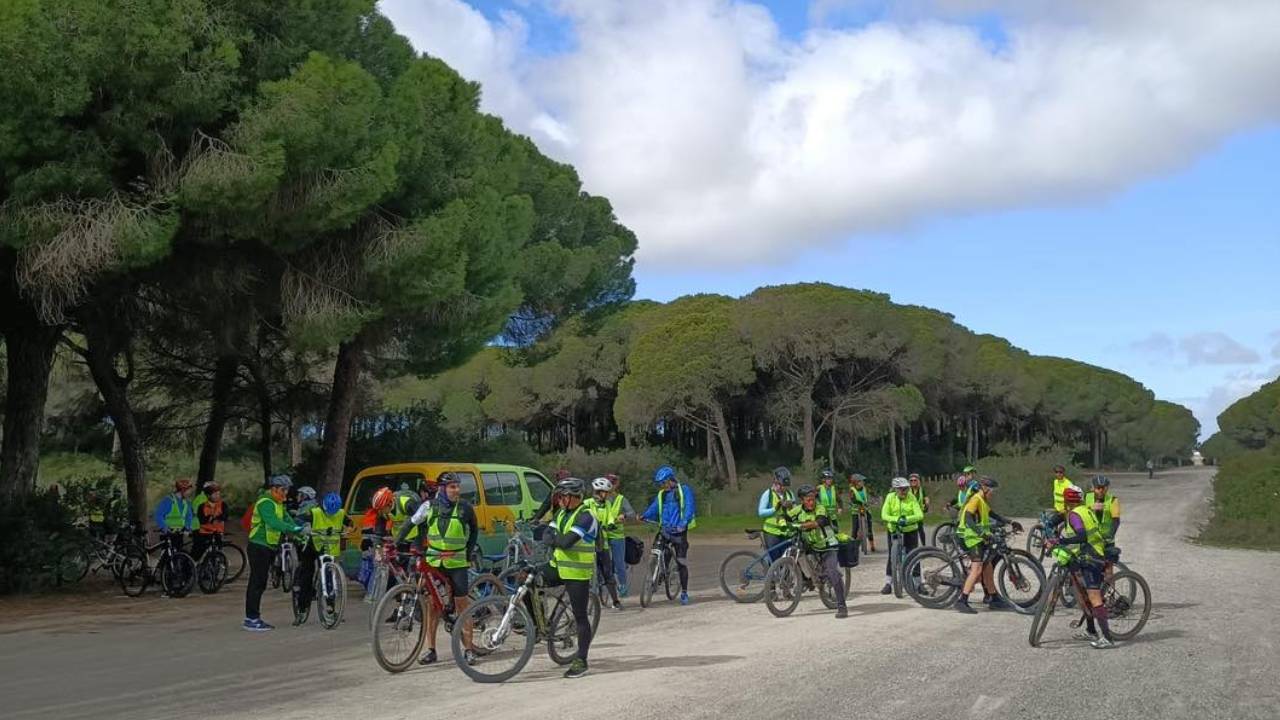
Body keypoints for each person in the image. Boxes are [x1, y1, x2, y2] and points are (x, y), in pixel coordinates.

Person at [395, 473, 481, 666]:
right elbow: (411, 523)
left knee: (462, 605)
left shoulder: (465, 508)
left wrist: (468, 552)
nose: (456, 490)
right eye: (452, 487)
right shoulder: (429, 506)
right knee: (432, 607)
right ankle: (431, 650)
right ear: (442, 489)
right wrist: (396, 542)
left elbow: (474, 530)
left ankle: (468, 649)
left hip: (457, 562)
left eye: (457, 486)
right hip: (434, 562)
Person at [1046, 485, 1115, 649]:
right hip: (1085, 554)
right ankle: (1091, 631)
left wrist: (1060, 541)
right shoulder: (1084, 509)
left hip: (1091, 556)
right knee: (1080, 593)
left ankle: (1107, 637)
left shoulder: (1075, 515)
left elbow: (1082, 536)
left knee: (1093, 596)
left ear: (1066, 501)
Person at [544, 477, 599, 678]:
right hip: (557, 567)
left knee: (580, 616)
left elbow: (566, 542)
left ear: (574, 497)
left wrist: (554, 539)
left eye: (563, 496)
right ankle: (535, 624)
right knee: (525, 575)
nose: (559, 500)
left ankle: (581, 660)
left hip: (577, 572)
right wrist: (554, 539)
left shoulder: (586, 516)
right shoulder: (561, 514)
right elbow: (545, 535)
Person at [953, 477, 1022, 614]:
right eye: (992, 491)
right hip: (971, 537)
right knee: (977, 568)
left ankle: (993, 597)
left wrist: (1011, 522)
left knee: (988, 566)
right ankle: (962, 601)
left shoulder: (983, 500)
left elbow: (993, 515)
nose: (993, 494)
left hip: (978, 537)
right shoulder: (976, 499)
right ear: (985, 489)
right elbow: (968, 518)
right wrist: (982, 534)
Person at [245, 475, 304, 631]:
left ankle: (253, 617)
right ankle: (251, 619)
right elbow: (274, 522)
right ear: (274, 489)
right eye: (283, 490)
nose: (285, 493)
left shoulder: (278, 503)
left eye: (287, 490)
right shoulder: (265, 503)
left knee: (260, 582)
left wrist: (300, 534)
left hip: (268, 546)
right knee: (257, 583)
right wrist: (293, 529)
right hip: (258, 546)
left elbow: (286, 519)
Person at [787, 484, 848, 618]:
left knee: (832, 573)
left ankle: (842, 606)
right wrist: (781, 521)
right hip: (813, 545)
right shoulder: (798, 510)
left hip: (828, 546)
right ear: (802, 500)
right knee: (796, 551)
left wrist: (800, 525)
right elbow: (785, 517)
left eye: (813, 498)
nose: (811, 502)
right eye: (808, 499)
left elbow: (818, 522)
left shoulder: (820, 508)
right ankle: (807, 579)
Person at [293, 491, 353, 624]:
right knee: (307, 575)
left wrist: (349, 529)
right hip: (311, 545)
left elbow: (350, 523)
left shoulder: (340, 513)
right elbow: (298, 520)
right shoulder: (314, 512)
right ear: (323, 507)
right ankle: (302, 609)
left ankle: (331, 608)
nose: (330, 515)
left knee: (329, 576)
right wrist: (304, 527)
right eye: (327, 512)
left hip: (327, 547)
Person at [641, 465, 696, 605]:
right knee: (656, 553)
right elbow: (654, 508)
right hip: (664, 529)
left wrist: (684, 522)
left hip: (679, 531)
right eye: (660, 484)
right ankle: (655, 577)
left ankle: (684, 592)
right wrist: (644, 515)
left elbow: (689, 507)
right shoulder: (662, 494)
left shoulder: (684, 491)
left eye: (664, 483)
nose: (662, 486)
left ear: (671, 480)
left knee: (681, 562)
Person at [879, 477, 924, 594]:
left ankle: (918, 583)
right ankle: (888, 583)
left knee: (914, 555)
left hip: (910, 530)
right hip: (894, 529)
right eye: (901, 489)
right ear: (895, 489)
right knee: (891, 555)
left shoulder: (911, 497)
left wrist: (907, 519)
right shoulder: (890, 498)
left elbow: (919, 515)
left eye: (906, 489)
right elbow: (884, 515)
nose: (904, 491)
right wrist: (897, 519)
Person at [585, 477, 623, 610]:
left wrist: (611, 524)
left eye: (608, 493)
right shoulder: (587, 503)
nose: (607, 495)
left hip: (602, 543)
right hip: (589, 543)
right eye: (605, 493)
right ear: (598, 492)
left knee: (608, 572)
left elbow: (610, 517)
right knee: (588, 574)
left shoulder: (607, 504)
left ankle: (615, 600)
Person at [601, 473, 637, 597]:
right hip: (602, 534)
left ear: (616, 485)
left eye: (612, 483)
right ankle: (599, 585)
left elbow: (632, 513)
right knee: (601, 561)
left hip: (616, 534)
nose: (610, 486)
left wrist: (624, 515)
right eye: (608, 483)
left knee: (619, 562)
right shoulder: (600, 498)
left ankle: (622, 585)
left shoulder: (621, 499)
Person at [757, 467, 797, 564]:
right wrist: (775, 508)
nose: (784, 488)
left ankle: (784, 577)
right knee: (774, 559)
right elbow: (761, 512)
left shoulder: (790, 494)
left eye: (786, 486)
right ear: (775, 482)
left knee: (787, 558)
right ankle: (770, 575)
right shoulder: (768, 494)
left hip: (786, 532)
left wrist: (792, 507)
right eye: (782, 485)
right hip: (771, 532)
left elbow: (796, 511)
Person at [1084, 475, 1122, 577]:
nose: (1101, 490)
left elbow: (1116, 521)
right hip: (1091, 539)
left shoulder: (1113, 500)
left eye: (1104, 488)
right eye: (1098, 488)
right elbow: (1079, 512)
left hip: (1106, 540)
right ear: (1093, 488)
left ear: (1107, 488)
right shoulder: (1087, 497)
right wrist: (1091, 508)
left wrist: (1109, 536)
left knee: (1108, 571)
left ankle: (1110, 592)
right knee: (1089, 568)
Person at [153, 478, 196, 552]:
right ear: (182, 490)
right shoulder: (169, 500)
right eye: (188, 491)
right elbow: (158, 515)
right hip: (167, 534)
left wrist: (187, 527)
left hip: (179, 534)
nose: (190, 493)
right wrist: (164, 527)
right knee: (167, 558)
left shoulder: (186, 503)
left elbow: (189, 517)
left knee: (178, 557)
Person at [192, 483, 228, 562]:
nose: (217, 496)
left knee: (216, 555)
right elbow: (202, 520)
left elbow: (224, 516)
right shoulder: (202, 506)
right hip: (204, 533)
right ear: (208, 495)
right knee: (197, 554)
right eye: (214, 494)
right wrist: (213, 518)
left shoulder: (223, 505)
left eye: (218, 494)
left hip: (217, 532)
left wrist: (212, 518)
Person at [848, 473, 875, 552]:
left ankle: (872, 545)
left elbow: (870, 495)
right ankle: (852, 546)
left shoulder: (864, 489)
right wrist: (860, 503)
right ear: (855, 482)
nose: (862, 483)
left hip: (865, 509)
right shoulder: (852, 490)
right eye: (860, 481)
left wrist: (872, 500)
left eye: (862, 481)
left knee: (869, 527)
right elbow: (853, 499)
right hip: (856, 511)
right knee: (855, 529)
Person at [908, 472, 929, 546]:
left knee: (920, 530)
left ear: (918, 481)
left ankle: (924, 545)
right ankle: (914, 547)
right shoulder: (907, 490)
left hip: (918, 513)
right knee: (912, 531)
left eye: (915, 480)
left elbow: (926, 498)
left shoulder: (921, 490)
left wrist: (927, 504)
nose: (913, 482)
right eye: (911, 480)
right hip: (909, 513)